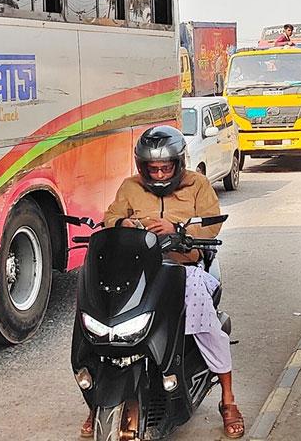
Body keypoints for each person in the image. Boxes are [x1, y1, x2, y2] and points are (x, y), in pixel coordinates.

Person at [84, 126, 244, 439]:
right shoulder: (130, 187)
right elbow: (111, 217)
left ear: (177, 164)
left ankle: (228, 400)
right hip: (139, 270)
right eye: (152, 169)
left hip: (183, 267)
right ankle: (96, 402)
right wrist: (124, 223)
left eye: (165, 168)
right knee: (101, 319)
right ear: (141, 167)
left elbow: (211, 226)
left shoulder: (197, 184)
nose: (158, 175)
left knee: (206, 326)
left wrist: (176, 229)